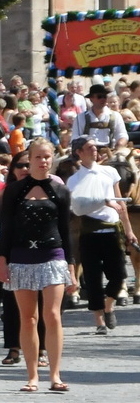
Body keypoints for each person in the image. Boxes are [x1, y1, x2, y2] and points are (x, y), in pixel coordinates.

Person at [0, 140, 73, 392]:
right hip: (21, 257)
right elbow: (6, 228)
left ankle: (55, 375)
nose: (43, 161)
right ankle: (32, 375)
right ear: (29, 160)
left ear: (52, 159)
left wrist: (71, 266)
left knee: (52, 315)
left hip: (53, 255)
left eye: (47, 157)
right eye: (38, 157)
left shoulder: (60, 190)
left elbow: (66, 230)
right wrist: (2, 260)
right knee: (28, 317)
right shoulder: (14, 190)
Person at [66, 136, 133, 334]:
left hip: (112, 230)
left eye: (95, 147)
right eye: (89, 147)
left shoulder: (109, 172)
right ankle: (99, 321)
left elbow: (120, 203)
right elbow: (78, 207)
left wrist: (128, 230)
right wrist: (103, 201)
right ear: (79, 152)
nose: (94, 150)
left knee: (119, 275)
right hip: (90, 233)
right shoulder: (74, 180)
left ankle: (109, 305)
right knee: (93, 278)